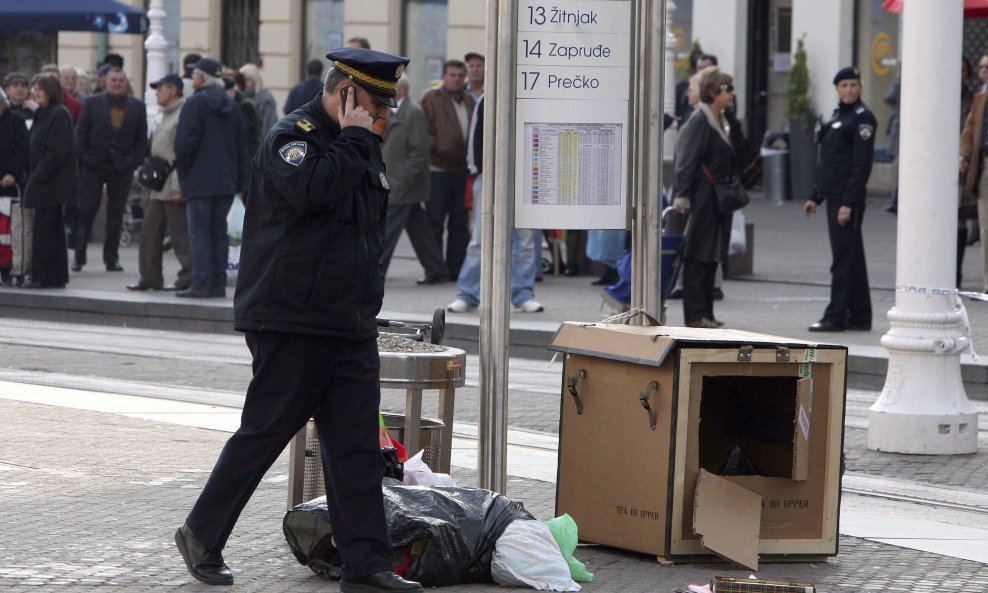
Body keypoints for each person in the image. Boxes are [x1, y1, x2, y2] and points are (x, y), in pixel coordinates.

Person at [175, 47, 424, 593]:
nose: (385, 120)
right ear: (348, 95)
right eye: (378, 108)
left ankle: (367, 566)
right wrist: (359, 139)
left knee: (356, 447)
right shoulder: (294, 137)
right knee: (265, 433)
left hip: (348, 319)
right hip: (292, 317)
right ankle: (200, 534)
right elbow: (313, 193)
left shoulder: (361, 143)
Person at [446, 95, 544, 314]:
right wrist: (479, 170)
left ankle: (522, 294)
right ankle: (468, 294)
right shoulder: (489, 94)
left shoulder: (537, 94)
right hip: (490, 175)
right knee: (480, 240)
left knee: (526, 241)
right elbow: (476, 133)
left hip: (529, 174)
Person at [804, 66, 876, 332]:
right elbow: (828, 163)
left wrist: (848, 202)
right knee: (852, 257)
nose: (849, 90)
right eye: (844, 85)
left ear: (860, 88)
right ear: (837, 89)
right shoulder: (837, 117)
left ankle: (835, 316)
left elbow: (861, 166)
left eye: (853, 85)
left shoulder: (862, 119)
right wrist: (816, 196)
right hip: (834, 197)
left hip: (847, 200)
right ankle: (859, 316)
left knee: (843, 260)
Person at [173, 58, 248, 299]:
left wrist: (183, 171)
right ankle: (217, 283)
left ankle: (202, 283)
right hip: (225, 181)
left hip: (198, 179)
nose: (192, 79)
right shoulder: (231, 104)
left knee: (199, 233)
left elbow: (185, 143)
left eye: (195, 75)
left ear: (203, 78)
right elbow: (241, 145)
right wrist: (239, 181)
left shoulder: (195, 103)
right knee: (218, 232)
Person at [672, 67, 736, 329]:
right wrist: (683, 197)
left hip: (716, 198)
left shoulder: (719, 118)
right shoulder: (700, 120)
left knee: (711, 256)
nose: (732, 94)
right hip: (701, 198)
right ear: (713, 93)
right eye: (727, 89)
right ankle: (696, 316)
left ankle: (707, 314)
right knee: (698, 256)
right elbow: (685, 162)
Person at [74, 67, 148, 272]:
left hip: (121, 167)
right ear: (106, 82)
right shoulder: (92, 103)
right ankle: (79, 256)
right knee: (87, 210)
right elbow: (81, 133)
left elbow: (142, 139)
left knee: (116, 214)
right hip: (94, 165)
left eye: (120, 80)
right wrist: (86, 157)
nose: (117, 84)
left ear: (125, 83)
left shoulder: (137, 106)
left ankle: (111, 258)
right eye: (113, 80)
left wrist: (133, 161)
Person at [128, 74, 191, 292]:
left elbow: (179, 154)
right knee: (149, 233)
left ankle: (188, 278)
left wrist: (177, 187)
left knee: (180, 235)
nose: (157, 92)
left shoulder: (182, 115)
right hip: (157, 185)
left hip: (171, 185)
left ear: (173, 90)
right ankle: (150, 277)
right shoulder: (163, 115)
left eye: (161, 88)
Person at [380, 74, 446, 281]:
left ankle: (374, 272)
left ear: (402, 89)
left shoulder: (413, 112)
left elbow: (419, 152)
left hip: (403, 184)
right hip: (396, 180)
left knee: (387, 231)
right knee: (420, 230)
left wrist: (404, 179)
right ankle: (436, 270)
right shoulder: (390, 110)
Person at [419, 59, 474, 283]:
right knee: (434, 223)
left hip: (462, 171)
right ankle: (435, 269)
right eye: (452, 75)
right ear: (444, 77)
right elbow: (421, 130)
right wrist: (434, 146)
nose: (456, 79)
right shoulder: (430, 98)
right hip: (437, 170)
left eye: (460, 76)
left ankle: (455, 269)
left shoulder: (469, 100)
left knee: (459, 224)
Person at [22, 75, 77, 289]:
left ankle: (44, 275)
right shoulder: (43, 114)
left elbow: (56, 151)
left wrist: (39, 174)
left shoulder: (58, 114)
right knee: (48, 228)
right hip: (44, 179)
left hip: (51, 182)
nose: (36, 93)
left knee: (46, 230)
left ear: (51, 91)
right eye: (34, 88)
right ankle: (53, 274)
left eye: (40, 89)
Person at [0, 87, 29, 286]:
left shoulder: (16, 122)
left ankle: (9, 268)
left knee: (9, 232)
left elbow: (22, 150)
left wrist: (12, 173)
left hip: (10, 185)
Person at [225, 73, 261, 158]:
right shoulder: (238, 103)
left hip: (248, 154)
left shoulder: (245, 105)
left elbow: (240, 130)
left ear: (231, 93)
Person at [238, 63, 278, 137]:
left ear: (255, 80)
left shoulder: (265, 100)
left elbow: (269, 126)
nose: (244, 84)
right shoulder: (238, 98)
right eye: (241, 81)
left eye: (247, 80)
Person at [883, 75, 901, 214]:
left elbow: (888, 97)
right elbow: (888, 98)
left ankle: (896, 201)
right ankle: (895, 200)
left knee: (898, 169)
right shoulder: (900, 84)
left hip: (901, 130)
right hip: (899, 131)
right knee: (898, 168)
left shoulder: (900, 83)